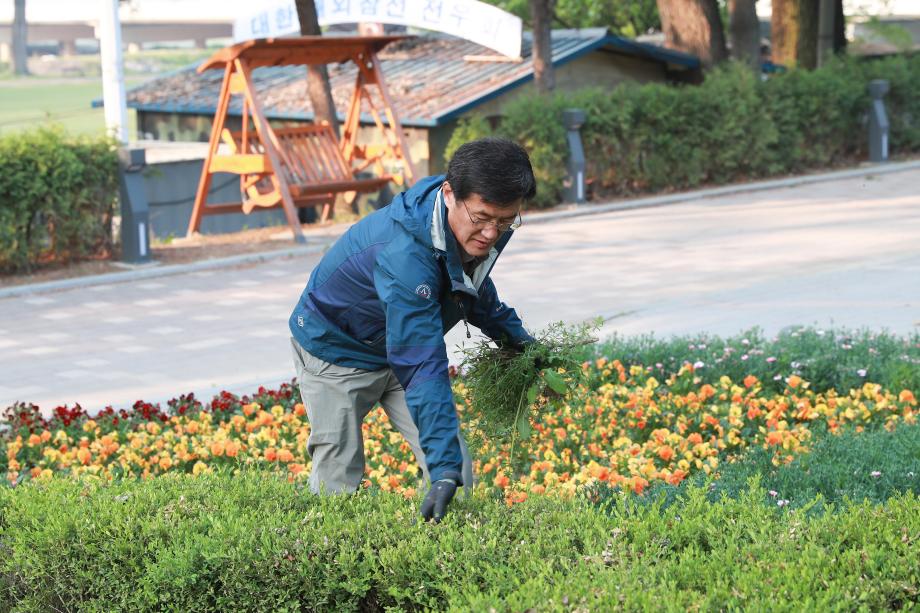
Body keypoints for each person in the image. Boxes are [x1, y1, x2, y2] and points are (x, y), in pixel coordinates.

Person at [289, 137, 537, 522]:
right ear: (450, 193)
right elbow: (422, 362)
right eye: (483, 219)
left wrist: (518, 341)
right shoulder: (404, 255)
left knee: (456, 473)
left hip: (401, 343)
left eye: (506, 221)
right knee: (338, 472)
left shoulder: (474, 221)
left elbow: (468, 285)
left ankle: (443, 563)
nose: (492, 234)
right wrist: (440, 470)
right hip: (336, 350)